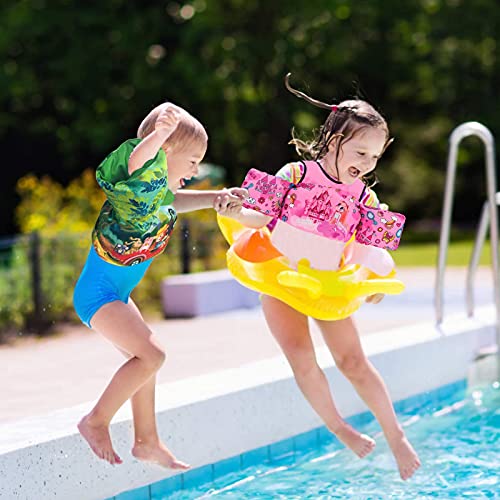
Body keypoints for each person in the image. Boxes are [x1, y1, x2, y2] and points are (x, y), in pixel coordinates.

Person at [224, 75, 421, 480]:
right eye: (361, 153)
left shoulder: (365, 197)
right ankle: (339, 427)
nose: (367, 165)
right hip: (279, 279)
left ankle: (396, 435)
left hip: (328, 289)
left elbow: (372, 252)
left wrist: (371, 283)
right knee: (302, 360)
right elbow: (258, 217)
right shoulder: (295, 174)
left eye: (375, 158)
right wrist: (233, 213)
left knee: (353, 362)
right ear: (333, 142)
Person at [73, 102, 246, 468]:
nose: (197, 169)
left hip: (116, 294)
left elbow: (175, 201)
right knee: (152, 356)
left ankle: (146, 440)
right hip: (97, 296)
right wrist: (159, 135)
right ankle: (95, 421)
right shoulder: (135, 189)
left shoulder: (159, 197)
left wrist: (216, 199)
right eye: (193, 160)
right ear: (165, 152)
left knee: (145, 362)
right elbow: (137, 161)